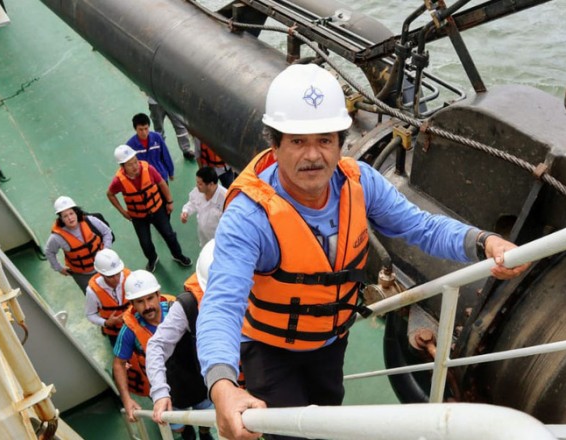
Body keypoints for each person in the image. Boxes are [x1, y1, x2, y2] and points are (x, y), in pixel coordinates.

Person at [195, 64, 532, 440]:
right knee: (287, 434)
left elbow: (420, 226)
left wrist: (483, 242)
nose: (313, 155)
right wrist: (222, 384)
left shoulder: (360, 183)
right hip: (271, 351)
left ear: (340, 143)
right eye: (297, 141)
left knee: (326, 422)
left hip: (330, 343)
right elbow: (222, 304)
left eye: (325, 140)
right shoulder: (250, 217)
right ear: (274, 146)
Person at [147, 241, 217, 440]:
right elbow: (157, 345)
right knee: (181, 424)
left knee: (206, 417)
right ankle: (187, 434)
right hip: (179, 382)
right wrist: (160, 392)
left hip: (206, 384)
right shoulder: (187, 306)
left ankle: (204, 435)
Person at [107, 145, 192, 272]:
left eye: (135, 161)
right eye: (130, 165)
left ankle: (178, 255)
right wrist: (123, 212)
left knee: (169, 235)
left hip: (157, 209)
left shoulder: (149, 169)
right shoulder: (118, 181)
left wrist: (169, 201)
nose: (135, 166)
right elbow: (110, 194)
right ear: (122, 167)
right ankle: (152, 259)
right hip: (138, 217)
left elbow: (162, 184)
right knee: (145, 242)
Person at [112, 270, 175, 422]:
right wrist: (126, 400)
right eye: (140, 301)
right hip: (160, 384)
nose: (147, 306)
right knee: (177, 424)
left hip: (191, 376)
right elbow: (118, 364)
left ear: (158, 295)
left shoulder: (176, 310)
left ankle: (204, 433)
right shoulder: (129, 331)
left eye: (150, 298)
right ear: (132, 304)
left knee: (204, 409)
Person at [46, 195, 113, 293]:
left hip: (104, 265)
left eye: (71, 213)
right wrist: (59, 268)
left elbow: (107, 232)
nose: (70, 218)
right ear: (61, 218)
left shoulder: (90, 221)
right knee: (95, 296)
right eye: (65, 216)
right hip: (82, 275)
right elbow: (49, 252)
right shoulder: (57, 237)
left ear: (76, 212)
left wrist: (106, 251)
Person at [85, 249, 130, 348]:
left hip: (134, 326)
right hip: (114, 333)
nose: (116, 279)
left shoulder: (130, 278)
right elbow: (90, 314)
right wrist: (105, 323)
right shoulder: (92, 291)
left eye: (118, 273)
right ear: (101, 274)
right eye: (111, 276)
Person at [180, 167, 227, 247]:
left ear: (211, 185)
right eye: (197, 182)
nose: (197, 185)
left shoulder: (226, 198)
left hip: (219, 240)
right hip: (203, 235)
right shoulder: (199, 191)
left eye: (200, 184)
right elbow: (192, 202)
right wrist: (186, 211)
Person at [126, 113, 176, 183]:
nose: (144, 132)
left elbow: (166, 155)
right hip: (144, 181)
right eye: (140, 129)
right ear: (135, 129)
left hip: (161, 177)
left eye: (146, 129)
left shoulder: (157, 137)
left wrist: (171, 172)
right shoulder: (130, 145)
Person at [148, 97, 196, 161]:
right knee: (159, 129)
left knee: (180, 126)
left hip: (171, 101)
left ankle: (186, 150)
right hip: (155, 102)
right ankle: (161, 150)